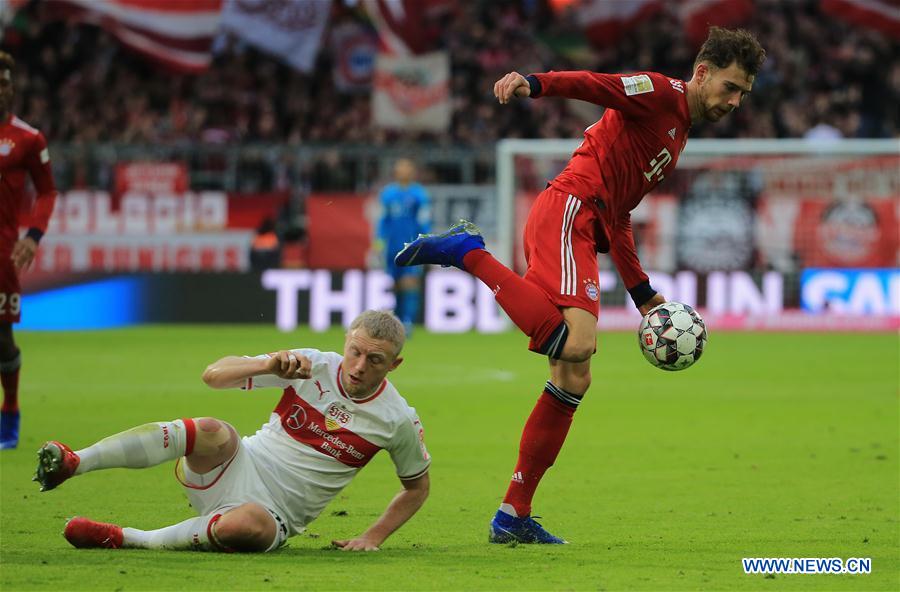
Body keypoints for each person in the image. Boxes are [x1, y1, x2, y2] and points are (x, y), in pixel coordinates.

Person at [396, 27, 766, 544]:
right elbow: (598, 84)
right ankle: (468, 252)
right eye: (730, 87)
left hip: (586, 222)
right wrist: (535, 83)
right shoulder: (660, 93)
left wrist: (642, 294)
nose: (735, 101)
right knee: (577, 343)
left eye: (743, 94)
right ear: (702, 73)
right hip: (570, 211)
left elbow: (621, 214)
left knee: (573, 378)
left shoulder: (678, 130)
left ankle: (513, 514)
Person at [33, 310, 431, 552]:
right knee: (212, 428)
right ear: (345, 342)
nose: (359, 366)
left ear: (394, 365)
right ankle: (75, 461)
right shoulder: (311, 365)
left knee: (245, 526)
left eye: (375, 360)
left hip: (274, 515)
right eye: (355, 352)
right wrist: (267, 366)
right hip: (237, 466)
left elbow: (417, 487)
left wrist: (373, 536)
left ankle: (125, 537)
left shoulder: (397, 419)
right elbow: (213, 376)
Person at [0, 51, 58, 450]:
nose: (0, 90)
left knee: (2, 339)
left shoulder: (28, 138)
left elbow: (48, 191)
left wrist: (33, 235)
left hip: (2, 252)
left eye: (4, 83)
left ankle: (10, 411)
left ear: (12, 88)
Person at [374, 158, 431, 335]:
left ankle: (407, 322)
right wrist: (378, 243)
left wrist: (426, 243)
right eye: (400, 168)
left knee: (410, 282)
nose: (403, 171)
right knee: (396, 285)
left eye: (407, 168)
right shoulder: (388, 194)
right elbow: (383, 220)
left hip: (412, 246)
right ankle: (398, 321)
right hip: (392, 247)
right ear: (396, 172)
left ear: (412, 172)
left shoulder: (419, 194)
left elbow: (424, 221)